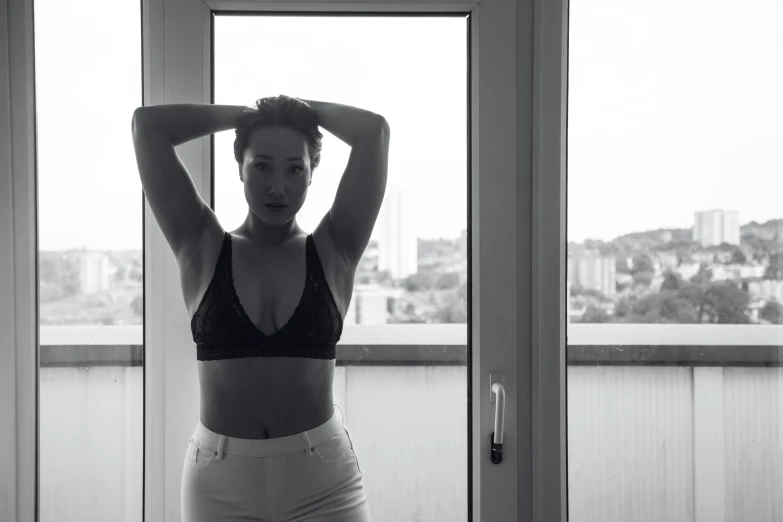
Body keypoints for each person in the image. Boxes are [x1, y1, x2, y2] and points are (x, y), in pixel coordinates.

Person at [131, 94, 390, 521]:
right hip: (220, 484)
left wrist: (295, 110)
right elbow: (147, 127)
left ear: (311, 174)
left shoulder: (335, 247)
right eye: (262, 165)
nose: (277, 186)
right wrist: (248, 115)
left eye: (295, 169)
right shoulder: (200, 243)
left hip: (322, 481)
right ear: (240, 167)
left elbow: (373, 132)